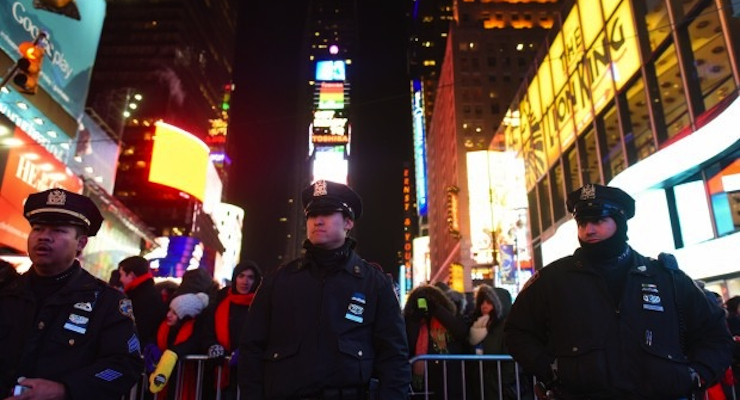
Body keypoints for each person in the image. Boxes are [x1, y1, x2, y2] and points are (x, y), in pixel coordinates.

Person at [504, 183, 733, 399]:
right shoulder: (553, 279)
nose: (588, 229)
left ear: (620, 221)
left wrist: (696, 374)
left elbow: (715, 334)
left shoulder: (666, 277)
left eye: (598, 220)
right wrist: (551, 370)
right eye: (582, 223)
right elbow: (517, 332)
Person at [239, 179, 410, 399]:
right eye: (312, 214)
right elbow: (251, 348)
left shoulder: (375, 284)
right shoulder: (277, 281)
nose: (317, 221)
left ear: (348, 222)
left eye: (328, 213)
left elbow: (394, 357)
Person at [0, 188, 143, 399]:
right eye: (38, 228)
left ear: (81, 243)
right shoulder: (6, 291)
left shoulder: (107, 302)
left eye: (58, 230)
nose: (44, 237)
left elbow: (124, 366)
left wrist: (65, 389)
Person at [203, 260, 262, 400]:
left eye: (250, 277)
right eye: (241, 276)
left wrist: (247, 351)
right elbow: (207, 333)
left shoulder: (261, 307)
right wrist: (212, 346)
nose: (245, 281)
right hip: (221, 374)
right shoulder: (220, 304)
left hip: (250, 375)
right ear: (235, 278)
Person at [404, 284, 469, 400]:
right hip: (424, 380)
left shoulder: (451, 315)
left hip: (450, 376)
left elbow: (461, 332)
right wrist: (415, 319)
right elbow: (408, 343)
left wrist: (437, 310)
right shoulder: (411, 320)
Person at [146, 291, 210, 398]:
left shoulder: (195, 331)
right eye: (170, 310)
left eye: (174, 313)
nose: (168, 315)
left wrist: (172, 354)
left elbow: (190, 345)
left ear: (185, 317)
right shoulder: (164, 327)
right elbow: (153, 339)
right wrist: (151, 346)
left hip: (183, 381)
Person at [119, 255, 168, 347]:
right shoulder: (146, 292)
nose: (120, 279)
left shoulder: (142, 296)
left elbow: (140, 328)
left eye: (121, 274)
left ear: (131, 275)